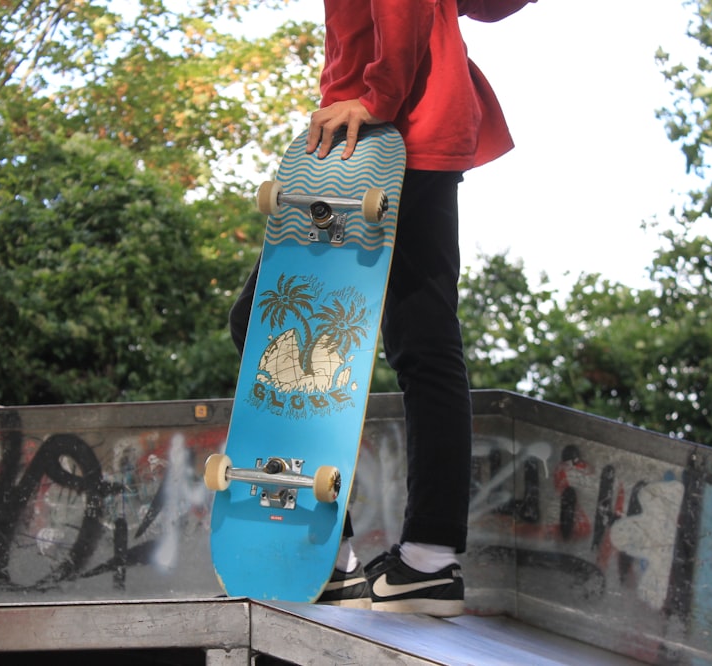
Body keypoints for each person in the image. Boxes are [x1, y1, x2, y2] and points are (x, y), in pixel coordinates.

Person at [229, 0, 537, 617]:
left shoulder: (379, 108)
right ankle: (428, 560)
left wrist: (377, 98)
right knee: (424, 343)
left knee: (270, 325)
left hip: (376, 140)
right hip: (419, 130)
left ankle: (334, 558)